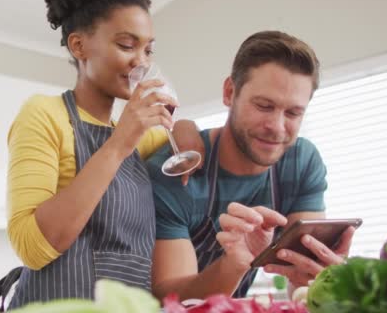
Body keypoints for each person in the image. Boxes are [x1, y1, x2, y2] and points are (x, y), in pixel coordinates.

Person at [1, 0, 198, 309]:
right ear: (79, 46)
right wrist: (119, 143)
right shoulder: (44, 114)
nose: (142, 62)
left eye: (148, 50)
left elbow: (186, 135)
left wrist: (184, 128)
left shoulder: (141, 137)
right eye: (126, 45)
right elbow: (32, 248)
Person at [147, 30, 357, 301]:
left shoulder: (302, 162)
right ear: (229, 92)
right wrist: (233, 264)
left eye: (293, 112)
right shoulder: (176, 172)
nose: (277, 127)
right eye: (264, 106)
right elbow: (170, 298)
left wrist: (325, 278)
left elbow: (302, 284)